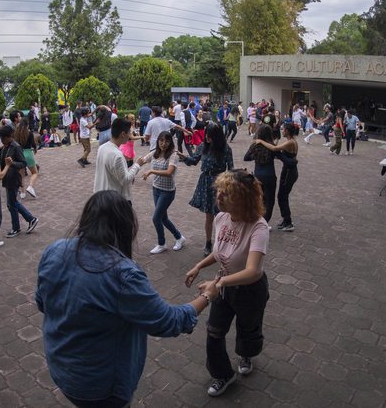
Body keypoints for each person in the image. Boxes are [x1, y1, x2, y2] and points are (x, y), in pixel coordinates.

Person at [35, 190, 220, 407]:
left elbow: (42, 302)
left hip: (61, 369)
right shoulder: (122, 274)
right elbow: (168, 321)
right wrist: (207, 296)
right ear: (125, 227)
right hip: (100, 386)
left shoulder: (55, 249)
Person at [184, 169, 270, 397]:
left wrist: (218, 283)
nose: (219, 197)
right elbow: (220, 252)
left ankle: (246, 354)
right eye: (219, 191)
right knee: (214, 331)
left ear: (243, 198)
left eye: (227, 193)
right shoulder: (221, 218)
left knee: (248, 328)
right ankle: (223, 374)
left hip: (250, 290)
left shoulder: (258, 227)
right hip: (223, 286)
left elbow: (252, 271)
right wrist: (199, 266)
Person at [178, 123, 234, 255]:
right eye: (207, 134)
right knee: (209, 216)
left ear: (218, 137)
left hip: (220, 184)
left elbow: (231, 169)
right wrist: (184, 157)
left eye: (211, 135)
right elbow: (194, 160)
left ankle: (221, 243)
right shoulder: (203, 146)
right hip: (205, 183)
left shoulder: (226, 149)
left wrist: (233, 183)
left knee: (222, 215)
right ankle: (208, 243)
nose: (208, 137)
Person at [140, 131, 186, 254]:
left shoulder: (173, 155)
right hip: (156, 189)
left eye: (166, 141)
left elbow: (169, 172)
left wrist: (151, 171)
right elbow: (142, 160)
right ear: (158, 141)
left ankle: (161, 243)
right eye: (161, 140)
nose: (163, 143)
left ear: (170, 142)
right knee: (163, 218)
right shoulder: (155, 152)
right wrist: (131, 170)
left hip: (167, 192)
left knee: (156, 218)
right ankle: (179, 237)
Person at [254, 122, 299, 231]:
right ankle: (286, 219)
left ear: (287, 131)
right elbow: (278, 151)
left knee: (282, 196)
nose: (282, 131)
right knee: (282, 196)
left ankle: (288, 222)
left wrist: (261, 141)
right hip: (288, 170)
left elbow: (274, 149)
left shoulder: (291, 142)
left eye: (283, 129)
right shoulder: (289, 141)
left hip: (289, 172)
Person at [0, 125, 39, 237]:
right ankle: (27, 221)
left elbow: (23, 163)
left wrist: (12, 163)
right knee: (12, 203)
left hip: (13, 178)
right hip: (7, 178)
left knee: (12, 203)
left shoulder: (16, 147)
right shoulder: (5, 146)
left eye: (3, 138)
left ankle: (24, 223)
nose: (2, 140)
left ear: (9, 136)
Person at [93, 117, 143, 203]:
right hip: (114, 201)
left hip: (101, 196)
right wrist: (138, 165)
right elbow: (125, 180)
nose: (130, 135)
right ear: (123, 134)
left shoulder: (102, 147)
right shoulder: (117, 155)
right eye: (129, 132)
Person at [244, 125, 277, 225]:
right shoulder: (271, 146)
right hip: (270, 175)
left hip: (258, 175)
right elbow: (281, 156)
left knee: (259, 199)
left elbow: (246, 157)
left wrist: (256, 156)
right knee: (269, 201)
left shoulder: (255, 145)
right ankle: (264, 222)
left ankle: (257, 221)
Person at [15, 118, 39, 198]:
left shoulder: (16, 133)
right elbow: (33, 144)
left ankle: (22, 193)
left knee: (22, 175)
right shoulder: (29, 133)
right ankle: (30, 187)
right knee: (34, 173)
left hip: (19, 154)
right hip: (28, 153)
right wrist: (35, 149)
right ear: (27, 124)